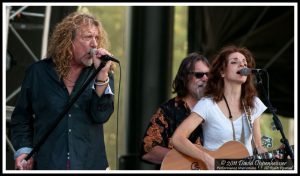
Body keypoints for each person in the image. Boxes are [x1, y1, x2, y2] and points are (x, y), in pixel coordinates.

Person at [10, 12, 115, 170]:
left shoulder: (101, 73)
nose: (94, 44)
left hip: (89, 164)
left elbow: (101, 115)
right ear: (68, 40)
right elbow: (21, 118)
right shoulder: (38, 73)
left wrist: (101, 75)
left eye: (97, 38)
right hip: (48, 163)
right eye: (87, 37)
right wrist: (24, 150)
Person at [172, 45, 268, 170]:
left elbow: (257, 146)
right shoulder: (207, 104)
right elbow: (178, 138)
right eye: (234, 62)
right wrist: (206, 158)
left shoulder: (253, 103)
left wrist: (269, 154)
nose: (242, 65)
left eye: (245, 63)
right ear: (222, 72)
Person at [141, 52, 210, 168]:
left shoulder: (216, 108)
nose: (205, 78)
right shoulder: (168, 111)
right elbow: (147, 151)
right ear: (185, 77)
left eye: (208, 74)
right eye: (199, 75)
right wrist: (191, 158)